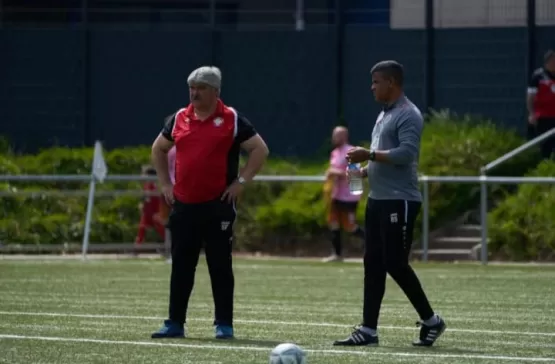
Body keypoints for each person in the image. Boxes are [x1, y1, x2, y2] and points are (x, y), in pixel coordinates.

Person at [150, 66, 269, 340]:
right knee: (182, 265)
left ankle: (224, 324)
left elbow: (259, 150)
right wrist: (166, 184)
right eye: (192, 87)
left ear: (216, 91)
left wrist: (241, 182)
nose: (194, 93)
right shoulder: (180, 117)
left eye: (201, 88)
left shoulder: (232, 119)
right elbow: (158, 148)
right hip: (184, 205)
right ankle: (174, 323)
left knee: (220, 266)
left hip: (218, 205)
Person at [333, 60, 446, 347]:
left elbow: (406, 154)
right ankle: (368, 330)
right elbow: (383, 158)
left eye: (376, 82)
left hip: (401, 201)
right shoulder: (383, 115)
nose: (372, 87)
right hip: (378, 200)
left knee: (395, 263)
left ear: (391, 83)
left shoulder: (408, 114)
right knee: (372, 263)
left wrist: (368, 155)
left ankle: (432, 321)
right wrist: (363, 172)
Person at [322, 126, 365, 263]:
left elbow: (355, 176)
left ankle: (378, 246)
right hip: (336, 194)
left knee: (349, 226)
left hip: (349, 196)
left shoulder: (351, 152)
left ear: (345, 136)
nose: (334, 138)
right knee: (333, 222)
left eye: (337, 135)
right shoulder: (335, 153)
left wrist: (336, 172)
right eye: (334, 135)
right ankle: (337, 254)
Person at [527, 49, 555, 159]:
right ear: (547, 62)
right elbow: (530, 97)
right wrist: (531, 113)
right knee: (545, 145)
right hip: (543, 116)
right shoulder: (538, 76)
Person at [135, 165, 166, 246]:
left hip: (154, 214)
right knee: (141, 230)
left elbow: (156, 200)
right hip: (148, 213)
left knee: (163, 231)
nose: (142, 176)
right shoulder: (147, 185)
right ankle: (136, 249)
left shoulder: (153, 186)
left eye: (144, 174)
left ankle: (171, 246)